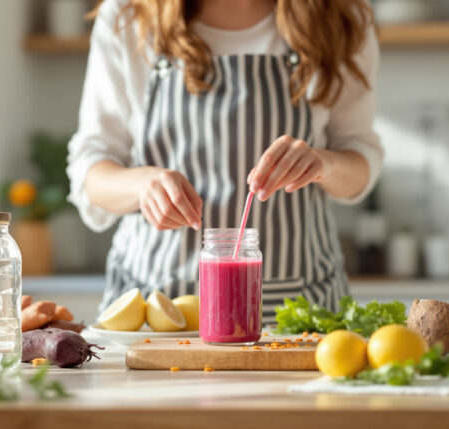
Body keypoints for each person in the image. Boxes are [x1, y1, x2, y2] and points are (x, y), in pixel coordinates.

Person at [67, 0, 383, 323]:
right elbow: (91, 169)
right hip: (159, 312)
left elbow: (359, 153)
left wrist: (324, 164)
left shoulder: (341, 17)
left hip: (298, 312)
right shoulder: (129, 16)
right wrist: (143, 185)